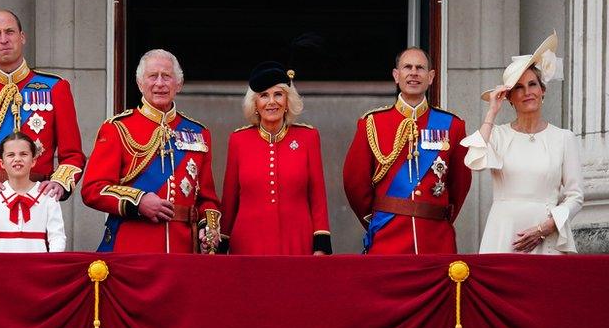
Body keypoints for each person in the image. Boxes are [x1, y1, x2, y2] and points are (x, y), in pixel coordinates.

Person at [0, 9, 86, 250]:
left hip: (37, 212)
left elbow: (72, 155)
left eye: (9, 32)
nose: (4, 39)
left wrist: (59, 184)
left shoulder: (56, 88)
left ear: (22, 37)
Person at [82, 49, 221, 253]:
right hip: (133, 246)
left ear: (178, 84)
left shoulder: (199, 133)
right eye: (152, 76)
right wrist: (138, 201)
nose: (159, 83)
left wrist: (208, 227)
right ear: (140, 84)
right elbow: (93, 189)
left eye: (167, 76)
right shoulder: (118, 128)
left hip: (182, 249)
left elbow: (207, 199)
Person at [460, 32, 583, 253]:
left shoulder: (564, 138)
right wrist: (491, 112)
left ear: (542, 91)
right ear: (509, 97)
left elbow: (575, 196)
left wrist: (547, 227)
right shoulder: (497, 135)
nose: (527, 92)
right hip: (503, 231)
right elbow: (473, 161)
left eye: (532, 85)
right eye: (518, 87)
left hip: (547, 234)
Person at [343, 47, 471, 254]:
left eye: (420, 68)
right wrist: (380, 218)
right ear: (396, 75)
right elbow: (355, 183)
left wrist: (435, 214)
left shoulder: (452, 125)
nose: (413, 72)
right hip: (388, 237)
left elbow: (460, 183)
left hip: (436, 239)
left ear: (431, 77)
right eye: (407, 67)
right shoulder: (372, 123)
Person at [221, 62, 331, 255]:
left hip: (298, 241)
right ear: (255, 104)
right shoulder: (238, 140)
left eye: (278, 94)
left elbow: (317, 196)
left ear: (288, 101)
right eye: (264, 95)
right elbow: (229, 199)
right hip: (248, 244)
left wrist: (321, 244)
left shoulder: (308, 137)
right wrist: (222, 243)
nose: (272, 102)